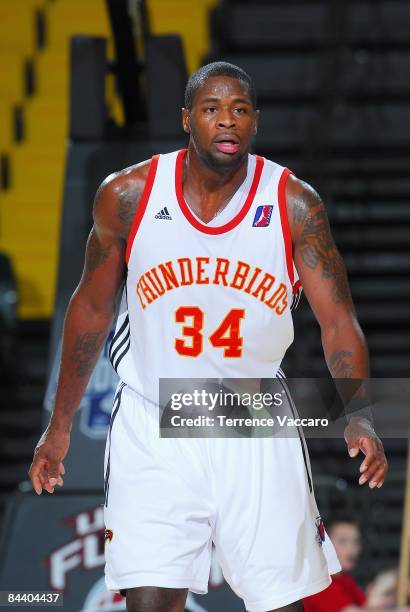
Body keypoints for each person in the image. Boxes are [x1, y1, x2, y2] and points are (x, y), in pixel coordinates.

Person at [29, 62, 388, 612]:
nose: (227, 121)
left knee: (283, 603)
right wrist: (59, 428)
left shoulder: (294, 204)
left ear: (256, 122)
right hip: (154, 419)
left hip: (252, 418)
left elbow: (339, 321)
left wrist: (358, 414)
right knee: (149, 600)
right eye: (212, 109)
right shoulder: (128, 195)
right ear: (186, 120)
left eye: (240, 110)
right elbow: (91, 310)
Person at [302, 514, 366, 611]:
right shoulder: (320, 582)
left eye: (355, 541)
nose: (351, 548)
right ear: (325, 544)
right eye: (342, 541)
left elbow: (366, 606)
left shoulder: (346, 579)